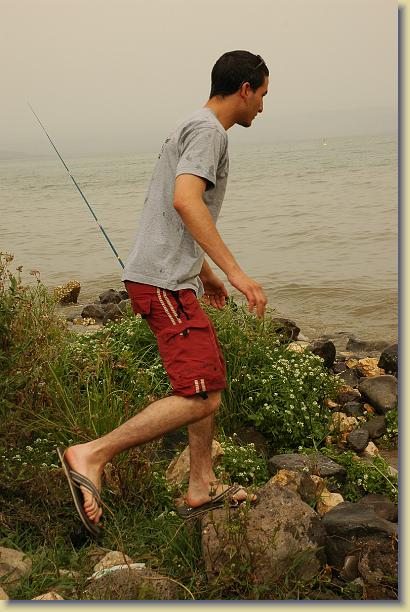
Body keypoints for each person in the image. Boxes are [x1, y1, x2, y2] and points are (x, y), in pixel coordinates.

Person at [58, 50, 269, 535]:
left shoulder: (192, 124)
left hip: (169, 276)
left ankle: (201, 484)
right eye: (262, 95)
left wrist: (206, 274)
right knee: (204, 395)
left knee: (204, 376)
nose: (262, 106)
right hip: (163, 281)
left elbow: (178, 210)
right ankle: (91, 454)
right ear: (245, 89)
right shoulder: (210, 132)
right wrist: (235, 273)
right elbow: (185, 200)